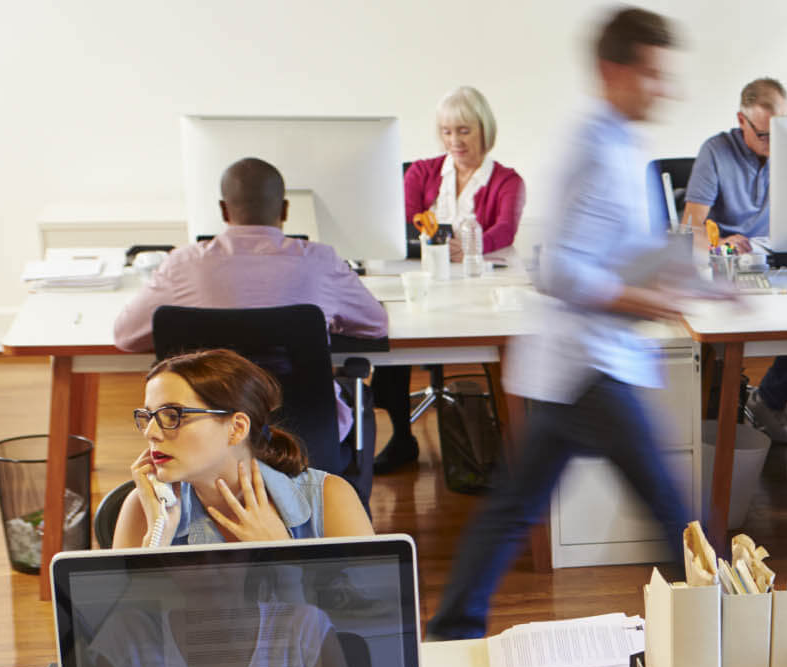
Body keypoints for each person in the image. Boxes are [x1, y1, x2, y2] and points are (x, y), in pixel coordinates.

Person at [427, 8, 694, 642]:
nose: (665, 88)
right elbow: (551, 265)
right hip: (587, 363)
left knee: (515, 507)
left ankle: (451, 629)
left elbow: (619, 249)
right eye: (653, 74)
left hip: (582, 363)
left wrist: (684, 283)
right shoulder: (590, 149)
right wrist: (634, 299)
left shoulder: (625, 145)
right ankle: (723, 633)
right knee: (673, 512)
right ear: (614, 70)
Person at [376, 86, 528, 473]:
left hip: (479, 283)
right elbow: (405, 223)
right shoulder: (421, 172)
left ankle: (500, 444)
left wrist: (469, 247)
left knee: (500, 344)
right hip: (426, 278)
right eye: (446, 131)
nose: (454, 141)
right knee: (392, 334)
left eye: (463, 130)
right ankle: (401, 437)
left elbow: (505, 230)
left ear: (483, 130)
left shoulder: (508, 181)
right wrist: (442, 243)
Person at [113, 158, 387, 356]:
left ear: (223, 211)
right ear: (284, 210)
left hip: (210, 424)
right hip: (303, 425)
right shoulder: (320, 262)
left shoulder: (183, 263)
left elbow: (126, 337)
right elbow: (376, 324)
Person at [112, 348, 375, 548]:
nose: (151, 432)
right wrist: (156, 544)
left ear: (237, 428)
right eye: (148, 416)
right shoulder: (144, 508)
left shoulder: (329, 499)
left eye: (174, 415)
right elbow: (120, 620)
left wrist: (282, 556)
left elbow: (370, 616)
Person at [681, 77, 787, 447]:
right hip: (726, 263)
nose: (774, 143)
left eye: (781, 131)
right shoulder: (716, 152)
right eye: (764, 134)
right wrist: (719, 243)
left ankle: (770, 401)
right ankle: (714, 420)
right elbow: (690, 226)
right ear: (742, 120)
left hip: (776, 258)